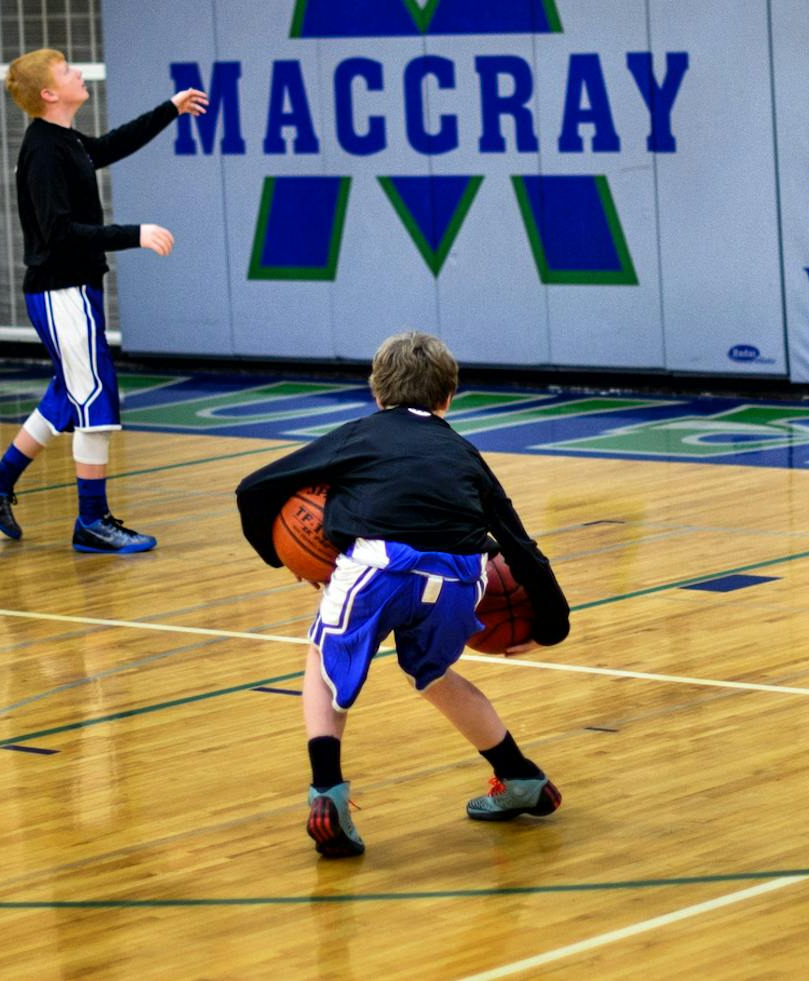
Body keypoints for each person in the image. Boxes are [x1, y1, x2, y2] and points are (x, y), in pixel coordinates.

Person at [235, 331, 573, 858]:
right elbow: (520, 544)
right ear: (448, 398)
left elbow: (254, 488)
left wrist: (283, 557)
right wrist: (551, 626)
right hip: (463, 575)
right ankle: (519, 776)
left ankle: (328, 794)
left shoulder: (358, 435)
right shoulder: (465, 453)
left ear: (377, 393)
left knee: (325, 665)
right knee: (434, 674)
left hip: (379, 567)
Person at [0, 50, 208, 554]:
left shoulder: (65, 140)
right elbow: (59, 234)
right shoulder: (44, 152)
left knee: (64, 397)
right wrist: (133, 233)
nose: (78, 72)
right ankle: (91, 522)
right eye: (67, 70)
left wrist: (170, 109)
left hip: (74, 290)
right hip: (60, 290)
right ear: (50, 93)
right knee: (95, 400)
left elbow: (109, 146)